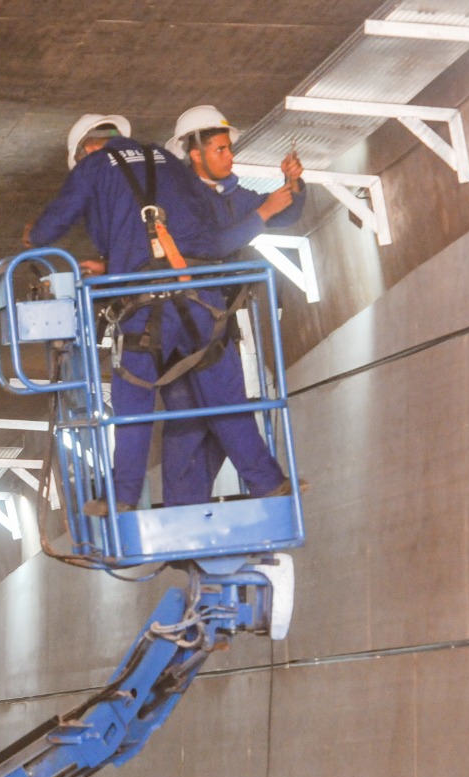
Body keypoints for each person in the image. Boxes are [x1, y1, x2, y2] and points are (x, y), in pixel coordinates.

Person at [24, 113, 292, 514]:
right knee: (225, 398)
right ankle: (269, 484)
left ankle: (124, 499)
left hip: (143, 300)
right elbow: (212, 226)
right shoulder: (168, 162)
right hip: (199, 295)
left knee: (133, 400)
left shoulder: (93, 167)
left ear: (87, 149)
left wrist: (33, 234)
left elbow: (50, 228)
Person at [159, 105, 307, 506]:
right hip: (181, 319)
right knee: (190, 421)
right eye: (221, 149)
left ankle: (186, 507)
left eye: (228, 148)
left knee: (210, 422)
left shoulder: (233, 196)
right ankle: (248, 487)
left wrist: (293, 183)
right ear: (195, 152)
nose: (230, 156)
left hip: (216, 320)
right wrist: (263, 211)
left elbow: (286, 214)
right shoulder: (180, 199)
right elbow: (209, 248)